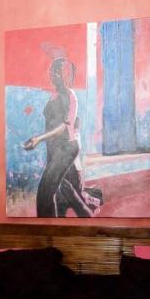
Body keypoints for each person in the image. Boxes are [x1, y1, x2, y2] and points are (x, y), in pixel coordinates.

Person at [22, 58, 101, 218]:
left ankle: (47, 227)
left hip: (65, 148)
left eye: (56, 71)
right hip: (55, 148)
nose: (51, 73)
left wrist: (39, 138)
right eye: (51, 70)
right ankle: (86, 214)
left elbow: (65, 126)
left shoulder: (69, 96)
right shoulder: (55, 94)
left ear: (64, 75)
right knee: (65, 188)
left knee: (45, 192)